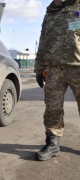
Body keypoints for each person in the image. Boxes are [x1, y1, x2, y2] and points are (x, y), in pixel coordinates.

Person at [35, 0, 80, 161]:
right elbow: (43, 42)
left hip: (77, 67)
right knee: (52, 108)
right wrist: (39, 69)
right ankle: (52, 143)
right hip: (54, 69)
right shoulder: (49, 13)